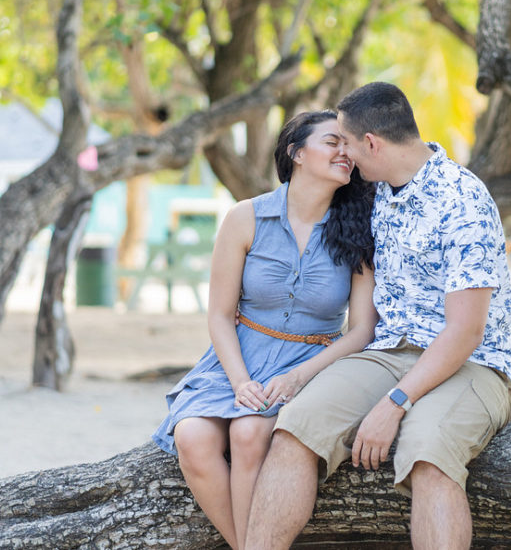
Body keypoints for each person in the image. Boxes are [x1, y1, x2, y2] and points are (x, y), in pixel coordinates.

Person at [246, 82, 511, 549]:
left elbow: (467, 330)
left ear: (371, 143)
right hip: (387, 351)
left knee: (428, 453)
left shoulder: (462, 200)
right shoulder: (378, 197)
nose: (345, 159)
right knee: (295, 426)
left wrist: (394, 403)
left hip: (473, 364)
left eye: (348, 145)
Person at [152, 111, 378, 550]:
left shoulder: (359, 229)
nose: (344, 153)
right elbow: (220, 314)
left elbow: (362, 330)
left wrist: (298, 376)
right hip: (239, 356)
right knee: (193, 437)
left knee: (248, 432)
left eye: (347, 145)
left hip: (313, 362)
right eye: (332, 142)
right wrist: (239, 381)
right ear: (296, 152)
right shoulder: (245, 218)